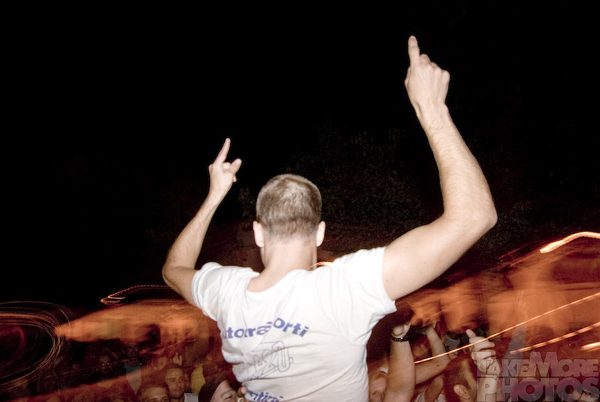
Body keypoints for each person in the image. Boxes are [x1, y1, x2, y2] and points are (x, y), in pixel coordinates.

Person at [163, 35, 497, 401]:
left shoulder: (227, 292)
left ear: (258, 233)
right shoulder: (342, 291)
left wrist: (214, 196)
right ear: (320, 233)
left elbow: (173, 269)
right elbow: (475, 216)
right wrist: (432, 109)